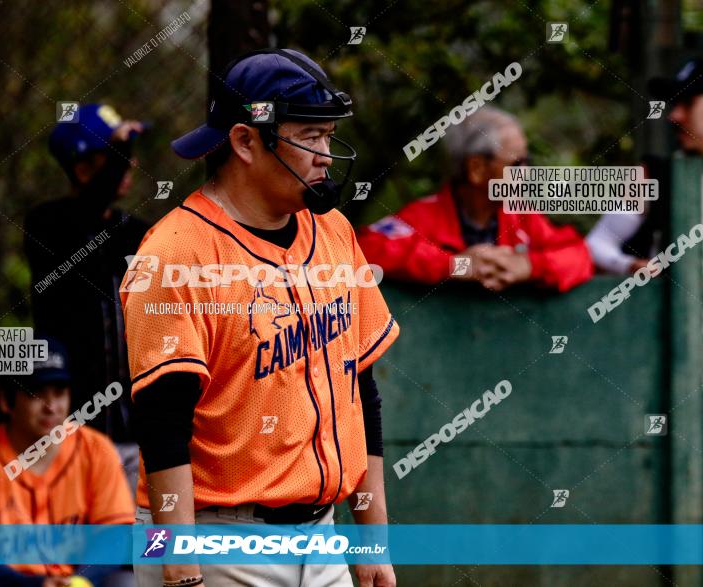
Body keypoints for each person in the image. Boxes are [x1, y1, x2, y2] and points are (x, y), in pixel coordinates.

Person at [121, 49, 400, 587]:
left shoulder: (336, 233)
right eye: (310, 135)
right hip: (211, 540)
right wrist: (178, 569)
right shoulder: (178, 255)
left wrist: (372, 542)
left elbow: (361, 392)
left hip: (322, 538)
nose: (325, 154)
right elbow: (161, 425)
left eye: (328, 135)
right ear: (246, 141)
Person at [24, 103, 150, 494]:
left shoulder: (135, 233)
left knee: (140, 547)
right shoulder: (49, 226)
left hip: (136, 434)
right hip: (72, 434)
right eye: (113, 158)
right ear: (81, 169)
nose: (128, 165)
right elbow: (84, 220)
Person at [0, 337, 135, 587]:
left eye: (59, 392)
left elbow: (113, 536)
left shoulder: (96, 450)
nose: (51, 406)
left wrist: (80, 580)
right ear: (6, 401)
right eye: (36, 394)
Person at [358, 106, 593, 292]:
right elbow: (365, 248)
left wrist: (530, 266)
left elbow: (579, 255)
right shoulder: (425, 216)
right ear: (477, 168)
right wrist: (455, 265)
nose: (527, 172)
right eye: (517, 163)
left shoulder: (522, 217)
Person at [583, 58, 703, 274]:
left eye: (688, 103)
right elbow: (595, 245)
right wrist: (629, 265)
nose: (674, 116)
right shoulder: (651, 176)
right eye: (674, 104)